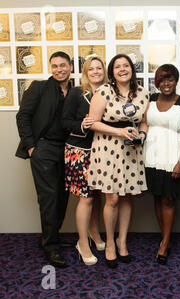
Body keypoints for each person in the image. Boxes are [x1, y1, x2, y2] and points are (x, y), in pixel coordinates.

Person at [87, 54, 149, 268]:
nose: (122, 69)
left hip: (131, 152)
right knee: (112, 199)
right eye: (117, 66)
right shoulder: (103, 91)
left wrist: (142, 135)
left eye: (126, 65)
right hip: (107, 150)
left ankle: (123, 242)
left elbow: (144, 123)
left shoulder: (143, 93)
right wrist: (119, 132)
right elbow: (92, 123)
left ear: (132, 69)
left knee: (126, 198)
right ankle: (111, 243)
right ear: (112, 72)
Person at [15, 51, 73, 267]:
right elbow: (23, 116)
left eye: (63, 65)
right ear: (51, 68)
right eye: (55, 66)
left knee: (63, 195)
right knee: (49, 197)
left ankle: (51, 237)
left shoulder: (75, 91)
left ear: (70, 67)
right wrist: (31, 146)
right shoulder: (39, 87)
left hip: (66, 150)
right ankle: (50, 247)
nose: (59, 69)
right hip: (44, 148)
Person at [140, 64, 180, 265]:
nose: (166, 83)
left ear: (176, 81)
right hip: (150, 155)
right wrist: (141, 136)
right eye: (162, 80)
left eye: (170, 79)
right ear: (157, 82)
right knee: (158, 197)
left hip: (172, 157)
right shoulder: (150, 100)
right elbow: (145, 123)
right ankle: (165, 238)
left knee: (169, 199)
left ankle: (165, 241)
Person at [62, 57, 107, 266]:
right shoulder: (76, 93)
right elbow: (64, 122)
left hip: (102, 150)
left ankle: (94, 233)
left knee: (97, 196)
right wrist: (81, 124)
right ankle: (82, 243)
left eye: (99, 68)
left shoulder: (109, 92)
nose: (96, 72)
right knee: (86, 198)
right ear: (85, 72)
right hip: (79, 151)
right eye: (92, 68)